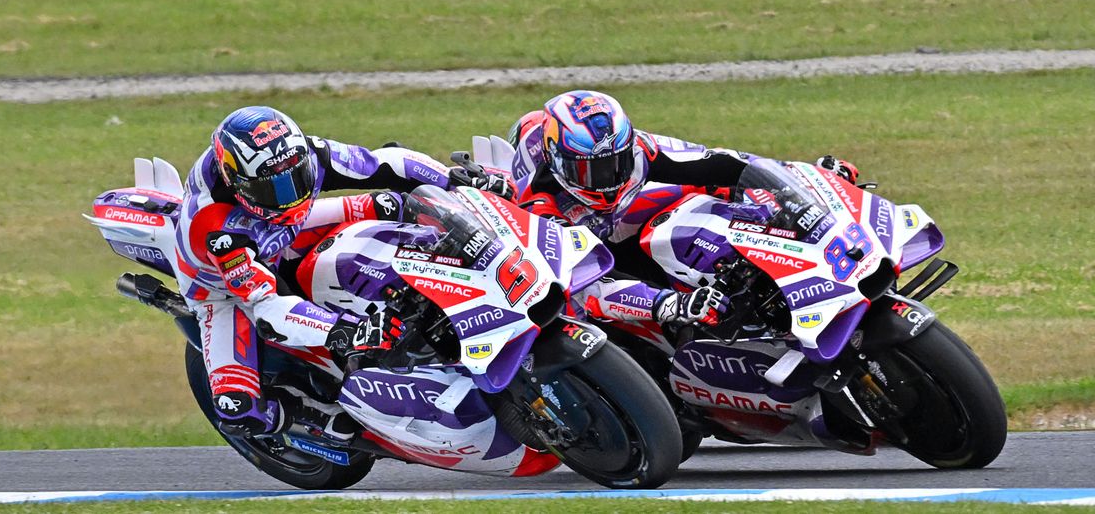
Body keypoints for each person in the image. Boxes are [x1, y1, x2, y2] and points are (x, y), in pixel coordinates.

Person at [174, 106, 495, 436]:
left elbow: (383, 162)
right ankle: (314, 415)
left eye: (296, 178)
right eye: (274, 189)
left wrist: (455, 178)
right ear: (238, 184)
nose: (290, 195)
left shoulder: (306, 154)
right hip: (223, 289)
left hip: (285, 230)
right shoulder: (216, 229)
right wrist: (348, 330)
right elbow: (268, 310)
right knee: (238, 413)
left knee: (394, 203)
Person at [505, 91, 860, 333]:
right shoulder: (539, 204)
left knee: (716, 194)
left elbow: (725, 162)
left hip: (623, 225)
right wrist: (667, 305)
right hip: (598, 263)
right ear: (558, 162)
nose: (608, 179)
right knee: (568, 307)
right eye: (591, 171)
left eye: (617, 163)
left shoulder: (642, 148)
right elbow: (580, 286)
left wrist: (802, 179)